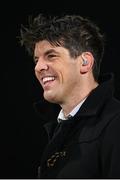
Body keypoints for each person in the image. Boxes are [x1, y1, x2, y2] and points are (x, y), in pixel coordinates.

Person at [20, 13, 120, 178]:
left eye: (51, 56)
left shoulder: (115, 124)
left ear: (85, 62)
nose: (38, 67)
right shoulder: (59, 128)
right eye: (36, 60)